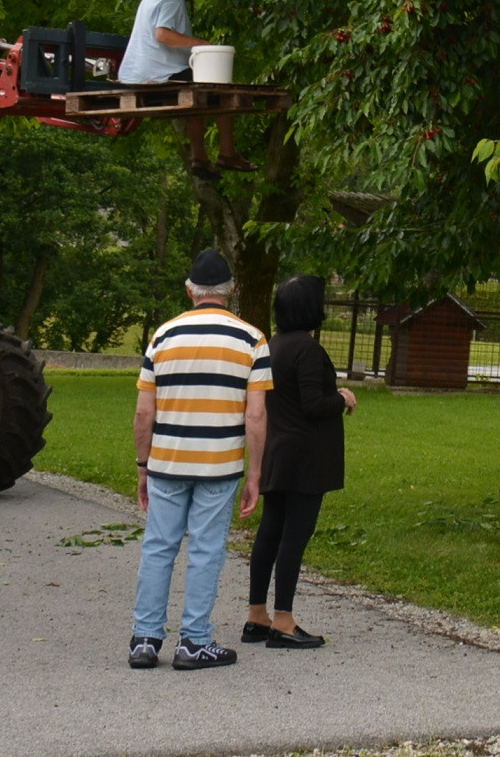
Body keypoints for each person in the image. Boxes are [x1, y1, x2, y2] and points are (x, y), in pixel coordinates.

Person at [129, 248, 269, 671]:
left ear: (190, 290)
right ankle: (194, 641)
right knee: (206, 550)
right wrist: (256, 474)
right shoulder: (252, 339)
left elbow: (143, 412)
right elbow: (257, 415)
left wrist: (142, 466)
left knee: (158, 547)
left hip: (167, 461)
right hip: (220, 464)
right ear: (232, 291)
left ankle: (145, 639)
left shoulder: (163, 336)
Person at [245, 273, 356, 649]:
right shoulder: (307, 349)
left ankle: (256, 616)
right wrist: (342, 398)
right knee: (295, 536)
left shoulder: (273, 344)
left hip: (278, 451)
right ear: (312, 308)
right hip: (306, 457)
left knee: (269, 535)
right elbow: (313, 404)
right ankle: (284, 622)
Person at [120, 0, 202, 85]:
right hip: (159, 75)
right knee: (208, 77)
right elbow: (162, 34)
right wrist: (201, 44)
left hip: (133, 74)